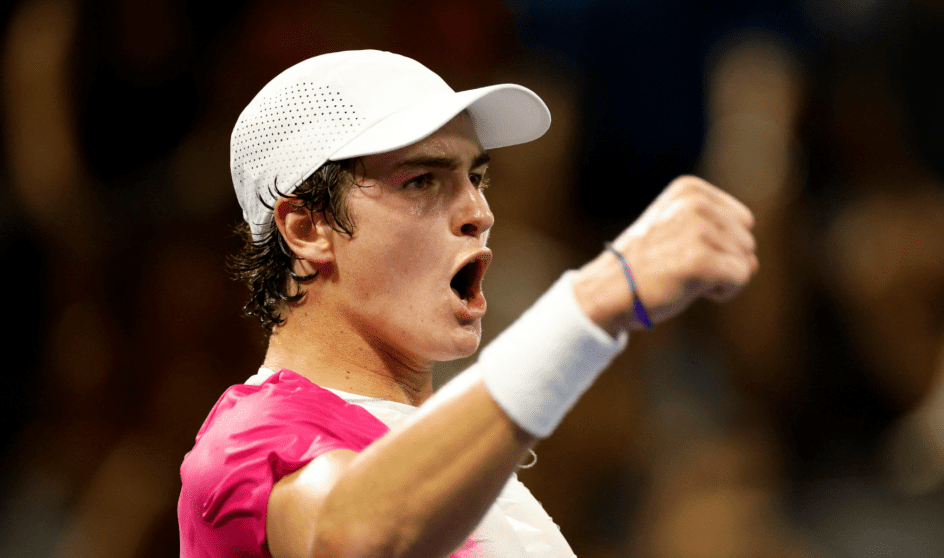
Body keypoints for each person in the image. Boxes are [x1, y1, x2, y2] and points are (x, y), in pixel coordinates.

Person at [177, 49, 758, 558]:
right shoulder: (248, 438)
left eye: (476, 177)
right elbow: (354, 543)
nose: (480, 212)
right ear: (307, 230)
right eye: (423, 181)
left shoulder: (449, 461)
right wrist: (595, 299)